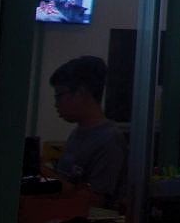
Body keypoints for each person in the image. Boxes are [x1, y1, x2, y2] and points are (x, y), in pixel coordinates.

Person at [48, 55, 128, 209]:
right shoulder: (77, 134)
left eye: (59, 96)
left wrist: (49, 176)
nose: (56, 104)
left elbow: (95, 202)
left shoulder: (110, 140)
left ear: (82, 93)